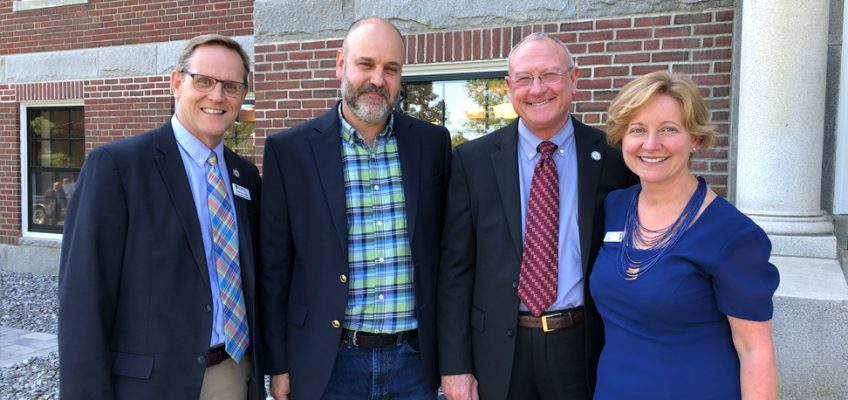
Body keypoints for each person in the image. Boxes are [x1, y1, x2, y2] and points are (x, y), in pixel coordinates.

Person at [58, 34, 264, 399]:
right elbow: (83, 299)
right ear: (176, 83)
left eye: (231, 86)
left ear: (243, 94)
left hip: (233, 374)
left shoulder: (245, 176)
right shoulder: (118, 168)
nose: (217, 96)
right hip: (151, 384)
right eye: (204, 81)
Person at [260, 17, 451, 400]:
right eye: (366, 64)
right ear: (340, 64)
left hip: (414, 363)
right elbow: (274, 267)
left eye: (391, 69)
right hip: (327, 364)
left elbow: (447, 256)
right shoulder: (291, 151)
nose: (378, 79)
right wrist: (277, 365)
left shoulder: (432, 144)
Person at [437, 32, 636, 400]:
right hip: (496, 349)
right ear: (509, 87)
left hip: (582, 345)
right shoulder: (473, 161)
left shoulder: (612, 159)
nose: (537, 88)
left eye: (550, 75)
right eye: (525, 78)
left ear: (573, 79)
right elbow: (455, 271)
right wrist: (454, 366)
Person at [591, 70, 779, 399]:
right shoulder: (616, 207)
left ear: (694, 139)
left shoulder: (732, 234)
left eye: (669, 129)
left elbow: (755, 350)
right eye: (638, 130)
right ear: (623, 138)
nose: (651, 144)